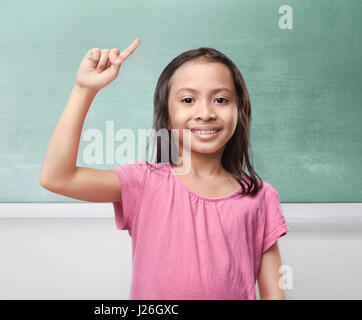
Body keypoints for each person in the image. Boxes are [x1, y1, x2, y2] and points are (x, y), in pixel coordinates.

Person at [39, 38, 289, 300]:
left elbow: (274, 295)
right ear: (167, 114)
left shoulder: (259, 196)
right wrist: (83, 90)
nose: (205, 113)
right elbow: (57, 178)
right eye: (189, 99)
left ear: (240, 109)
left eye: (221, 99)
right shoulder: (145, 182)